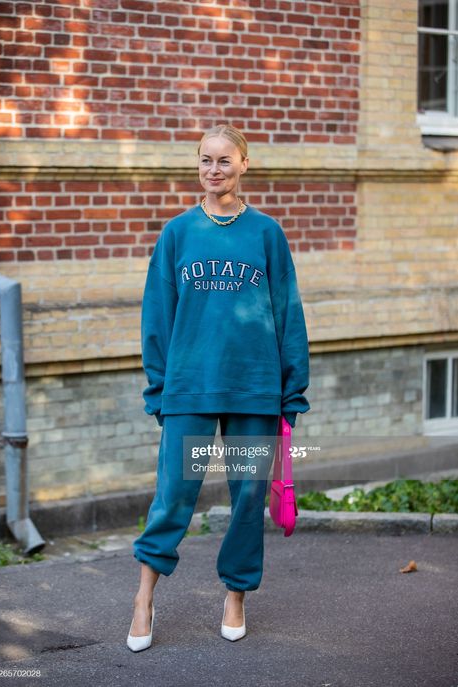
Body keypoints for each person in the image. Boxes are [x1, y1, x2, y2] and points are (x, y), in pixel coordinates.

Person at [127, 124, 310, 651]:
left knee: (248, 499)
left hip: (255, 385)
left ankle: (235, 594)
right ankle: (144, 598)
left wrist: (291, 389)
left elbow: (287, 311)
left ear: (244, 165)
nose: (214, 170)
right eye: (205, 160)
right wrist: (160, 387)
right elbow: (157, 315)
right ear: (197, 165)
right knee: (173, 496)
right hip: (191, 384)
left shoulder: (266, 234)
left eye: (224, 161)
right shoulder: (178, 233)